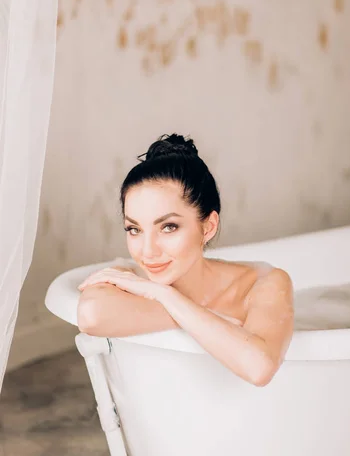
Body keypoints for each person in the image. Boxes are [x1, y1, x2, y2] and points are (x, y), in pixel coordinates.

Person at [77, 133, 294, 386]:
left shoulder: (263, 283)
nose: (147, 252)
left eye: (168, 227)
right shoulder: (129, 279)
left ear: (208, 226)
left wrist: (165, 296)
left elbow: (259, 368)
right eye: (134, 229)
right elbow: (90, 315)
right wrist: (206, 316)